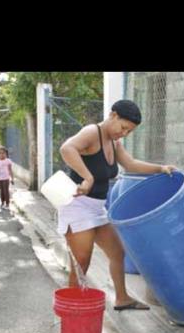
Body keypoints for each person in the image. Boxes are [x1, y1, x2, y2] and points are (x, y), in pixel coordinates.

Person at [58, 99, 177, 311]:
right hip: (77, 207)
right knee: (81, 263)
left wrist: (161, 168)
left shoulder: (114, 143)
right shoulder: (91, 132)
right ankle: (74, 313)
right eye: (123, 128)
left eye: (129, 131)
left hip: (97, 208)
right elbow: (67, 148)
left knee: (117, 252)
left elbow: (130, 164)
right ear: (113, 115)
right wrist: (87, 177)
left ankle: (122, 298)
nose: (124, 133)